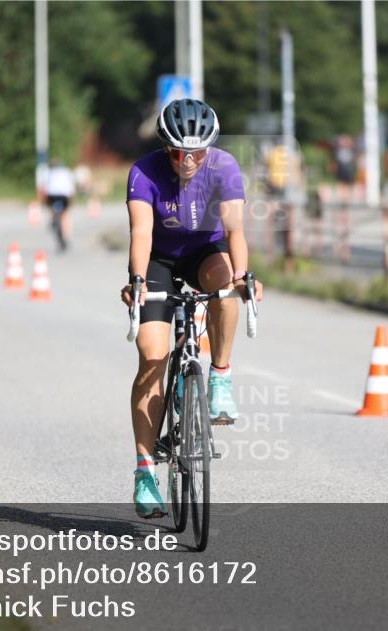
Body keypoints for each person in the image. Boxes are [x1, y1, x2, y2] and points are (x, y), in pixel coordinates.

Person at [119, 98, 264, 518]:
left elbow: (235, 228)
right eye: (180, 152)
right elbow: (141, 232)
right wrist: (138, 281)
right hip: (160, 260)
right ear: (166, 148)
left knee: (227, 288)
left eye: (197, 152)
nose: (189, 160)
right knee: (151, 357)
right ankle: (145, 471)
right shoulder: (144, 172)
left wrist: (243, 274)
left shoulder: (224, 167)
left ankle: (220, 376)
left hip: (206, 251)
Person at [42, 159, 77, 251]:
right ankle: (65, 235)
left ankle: (53, 218)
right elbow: (71, 187)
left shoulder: (49, 172)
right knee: (65, 215)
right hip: (64, 195)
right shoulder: (67, 172)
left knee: (51, 207)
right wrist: (72, 201)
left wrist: (44, 201)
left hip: (52, 194)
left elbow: (44, 187)